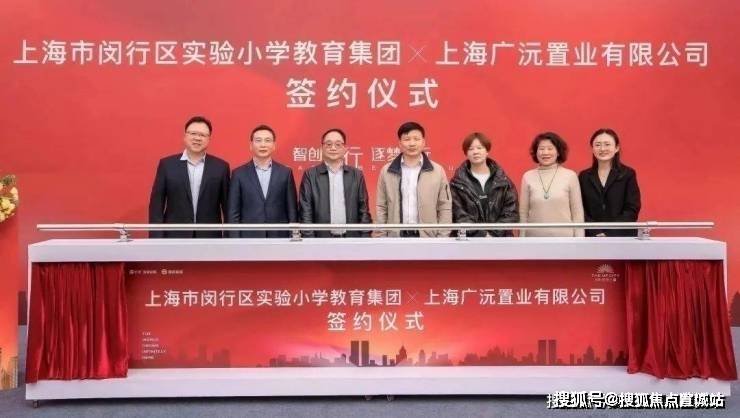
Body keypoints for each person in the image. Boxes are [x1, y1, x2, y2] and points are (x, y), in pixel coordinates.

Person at [148, 116, 230, 238]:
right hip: (174, 236)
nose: (197, 138)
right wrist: (156, 238)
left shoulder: (221, 167)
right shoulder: (167, 165)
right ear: (185, 136)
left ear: (209, 139)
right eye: (193, 133)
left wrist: (228, 238)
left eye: (202, 135)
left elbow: (228, 207)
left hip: (209, 237)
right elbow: (156, 205)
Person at [376, 121, 452, 237]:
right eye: (407, 139)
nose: (412, 143)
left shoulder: (437, 171)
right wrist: (381, 237)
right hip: (396, 238)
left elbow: (444, 206)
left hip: (427, 238)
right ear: (400, 143)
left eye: (416, 139)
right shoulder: (387, 171)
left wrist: (442, 237)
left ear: (423, 142)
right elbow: (381, 207)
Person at [298, 128, 372, 237]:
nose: (333, 148)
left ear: (345, 149)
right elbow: (305, 211)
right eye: (328, 144)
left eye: (338, 144)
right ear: (322, 148)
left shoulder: (356, 175)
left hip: (351, 239)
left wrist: (364, 237)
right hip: (320, 240)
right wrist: (310, 239)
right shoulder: (310, 175)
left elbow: (363, 210)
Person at [227, 124, 297, 238]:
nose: (263, 145)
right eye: (258, 140)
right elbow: (233, 212)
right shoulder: (238, 174)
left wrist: (293, 237)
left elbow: (292, 211)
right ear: (251, 145)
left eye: (267, 140)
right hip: (248, 237)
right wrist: (235, 240)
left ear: (274, 145)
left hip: (279, 237)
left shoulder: (285, 173)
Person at [450, 132, 519, 237]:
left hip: (500, 240)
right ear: (466, 153)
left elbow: (511, 212)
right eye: (471, 149)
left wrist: (493, 234)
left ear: (487, 151)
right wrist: (482, 235)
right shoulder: (457, 183)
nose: (475, 152)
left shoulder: (503, 181)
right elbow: (458, 214)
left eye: (480, 148)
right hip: (468, 241)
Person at [519, 132, 584, 237]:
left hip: (565, 239)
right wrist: (522, 239)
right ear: (536, 152)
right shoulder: (528, 176)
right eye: (541, 149)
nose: (545, 152)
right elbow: (523, 213)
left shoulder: (570, 176)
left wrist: (579, 240)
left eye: (550, 148)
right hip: (534, 240)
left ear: (558, 152)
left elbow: (577, 213)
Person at [579, 128, 641, 236]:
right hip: (592, 236)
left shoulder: (628, 174)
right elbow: (580, 209)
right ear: (592, 148)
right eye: (597, 145)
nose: (602, 149)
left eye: (607, 144)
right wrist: (596, 232)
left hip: (622, 236)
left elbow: (632, 209)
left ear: (616, 148)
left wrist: (609, 233)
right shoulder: (584, 176)